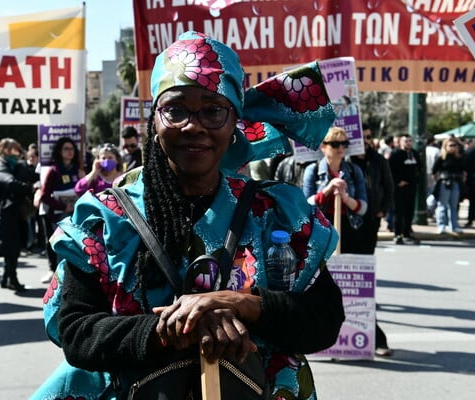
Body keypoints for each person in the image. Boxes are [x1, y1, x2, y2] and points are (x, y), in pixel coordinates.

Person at [33, 31, 343, 400]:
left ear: (234, 122)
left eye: (213, 110)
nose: (193, 126)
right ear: (154, 120)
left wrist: (240, 304)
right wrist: (174, 327)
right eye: (176, 109)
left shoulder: (277, 214)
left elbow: (323, 321)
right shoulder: (104, 218)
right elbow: (77, 330)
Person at [350, 123, 395, 356]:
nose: (365, 141)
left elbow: (388, 186)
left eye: (368, 137)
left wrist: (382, 210)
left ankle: (374, 336)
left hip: (370, 224)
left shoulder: (379, 160)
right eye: (360, 136)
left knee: (361, 279)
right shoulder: (347, 164)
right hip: (346, 225)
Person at [303, 127, 368, 254]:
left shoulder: (354, 171)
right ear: (323, 146)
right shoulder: (313, 170)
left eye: (344, 144)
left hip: (349, 228)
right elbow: (305, 206)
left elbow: (363, 208)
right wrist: (328, 189)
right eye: (335, 144)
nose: (340, 148)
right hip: (321, 228)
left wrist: (345, 197)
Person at [0, 138, 32, 292]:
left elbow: (30, 175)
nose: (17, 152)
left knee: (13, 247)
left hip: (14, 213)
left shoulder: (15, 166)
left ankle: (6, 277)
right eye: (14, 149)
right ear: (4, 150)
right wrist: (29, 188)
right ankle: (12, 278)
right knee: (10, 248)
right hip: (3, 215)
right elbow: (10, 182)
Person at [39, 137, 82, 284]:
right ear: (59, 151)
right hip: (60, 216)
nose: (70, 152)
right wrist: (63, 206)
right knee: (61, 248)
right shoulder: (54, 171)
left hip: (77, 215)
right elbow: (44, 196)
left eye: (72, 149)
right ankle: (60, 280)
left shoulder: (79, 170)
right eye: (66, 149)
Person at [388, 134, 421, 244]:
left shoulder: (414, 154)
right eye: (406, 141)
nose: (408, 143)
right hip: (399, 188)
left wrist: (415, 179)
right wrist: (398, 181)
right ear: (400, 142)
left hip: (411, 187)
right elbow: (390, 170)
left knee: (409, 211)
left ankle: (407, 233)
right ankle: (398, 234)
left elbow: (419, 168)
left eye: (410, 141)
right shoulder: (396, 154)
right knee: (399, 212)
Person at [431, 137, 466, 234]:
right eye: (451, 145)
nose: (453, 147)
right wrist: (437, 181)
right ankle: (441, 225)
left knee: (454, 206)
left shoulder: (458, 157)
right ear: (445, 146)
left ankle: (454, 226)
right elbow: (434, 171)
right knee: (442, 205)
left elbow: (463, 170)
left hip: (455, 181)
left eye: (455, 145)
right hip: (444, 182)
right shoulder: (442, 157)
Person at [463, 134, 475, 228]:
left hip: (474, 179)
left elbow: (466, 167)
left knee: (472, 202)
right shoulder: (472, 151)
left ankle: (470, 220)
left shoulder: (472, 151)